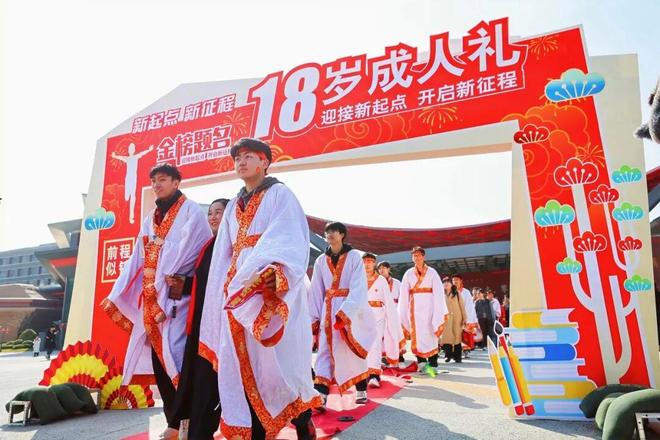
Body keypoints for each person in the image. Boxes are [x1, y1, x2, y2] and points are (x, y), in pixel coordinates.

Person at [203, 138, 318, 440]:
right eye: (237, 158)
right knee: (242, 364)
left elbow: (290, 238)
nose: (241, 162)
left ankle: (302, 417)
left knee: (280, 364)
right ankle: (255, 430)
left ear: (265, 162)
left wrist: (274, 274)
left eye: (248, 156)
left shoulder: (281, 194)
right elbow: (223, 252)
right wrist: (221, 290)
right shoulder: (232, 206)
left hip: (271, 290)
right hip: (237, 293)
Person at [101, 163, 213, 440]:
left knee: (178, 357)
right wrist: (118, 290)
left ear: (176, 182)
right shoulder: (151, 217)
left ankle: (185, 421)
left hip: (179, 299)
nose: (157, 185)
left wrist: (165, 272)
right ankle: (174, 421)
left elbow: (191, 253)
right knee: (160, 360)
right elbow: (138, 255)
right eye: (153, 181)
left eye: (163, 179)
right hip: (153, 299)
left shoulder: (192, 212)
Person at [170, 198, 229, 440]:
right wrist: (183, 284)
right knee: (199, 379)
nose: (213, 217)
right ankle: (195, 431)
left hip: (222, 324)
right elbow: (203, 284)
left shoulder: (233, 245)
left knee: (214, 380)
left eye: (219, 212)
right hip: (201, 321)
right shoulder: (208, 246)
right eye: (210, 213)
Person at [309, 221, 376, 408]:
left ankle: (361, 389)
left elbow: (359, 286)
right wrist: (314, 317)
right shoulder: (320, 260)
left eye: (334, 231)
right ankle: (321, 394)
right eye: (327, 232)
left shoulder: (354, 257)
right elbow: (316, 290)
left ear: (342, 235)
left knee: (349, 349)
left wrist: (347, 311)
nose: (330, 234)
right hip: (328, 309)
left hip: (349, 309)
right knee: (324, 349)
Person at [399, 247, 448, 374]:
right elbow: (403, 294)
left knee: (431, 335)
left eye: (419, 255)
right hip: (414, 310)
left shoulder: (432, 272)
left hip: (430, 308)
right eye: (414, 255)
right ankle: (421, 363)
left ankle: (433, 363)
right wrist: (403, 310)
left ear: (423, 257)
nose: (417, 258)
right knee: (418, 336)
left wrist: (438, 309)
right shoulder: (408, 273)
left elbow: (438, 292)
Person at [362, 253, 401, 387]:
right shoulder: (357, 278)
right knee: (362, 345)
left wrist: (392, 320)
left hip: (378, 315)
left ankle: (374, 375)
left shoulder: (381, 280)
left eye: (370, 261)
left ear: (374, 264)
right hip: (361, 316)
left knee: (375, 344)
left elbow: (388, 302)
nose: (367, 264)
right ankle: (364, 374)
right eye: (365, 261)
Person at [377, 260, 405, 366]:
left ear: (388, 269)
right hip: (381, 310)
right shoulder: (377, 282)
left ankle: (399, 355)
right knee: (382, 334)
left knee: (395, 332)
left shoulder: (397, 283)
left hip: (394, 309)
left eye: (384, 268)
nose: (381, 270)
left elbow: (403, 298)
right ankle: (384, 357)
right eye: (379, 268)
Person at [440, 277, 466, 363]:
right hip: (446, 318)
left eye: (448, 282)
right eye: (444, 282)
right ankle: (448, 356)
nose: (446, 284)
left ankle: (457, 357)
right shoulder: (440, 294)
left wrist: (464, 318)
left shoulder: (457, 293)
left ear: (451, 284)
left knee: (457, 337)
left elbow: (462, 306)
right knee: (447, 337)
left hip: (457, 317)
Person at [451, 274, 478, 356]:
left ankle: (465, 351)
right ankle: (455, 352)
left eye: (457, 280)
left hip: (463, 316)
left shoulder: (466, 292)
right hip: (453, 316)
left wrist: (466, 318)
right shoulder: (449, 292)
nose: (455, 282)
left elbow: (469, 306)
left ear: (461, 281)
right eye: (453, 280)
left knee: (464, 335)